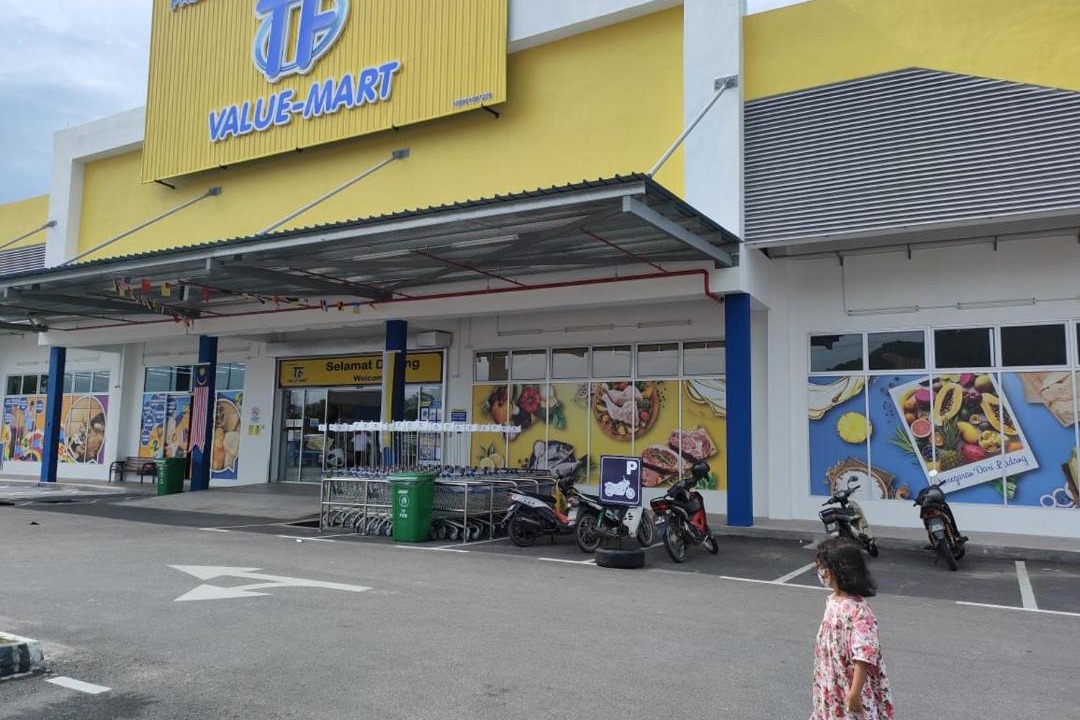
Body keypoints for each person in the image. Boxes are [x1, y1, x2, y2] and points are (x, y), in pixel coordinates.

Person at [811, 538, 894, 719]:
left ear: (840, 571)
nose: (821, 572)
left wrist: (854, 693)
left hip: (850, 684)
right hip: (832, 679)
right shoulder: (832, 601)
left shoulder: (860, 610)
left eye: (824, 567)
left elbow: (863, 656)